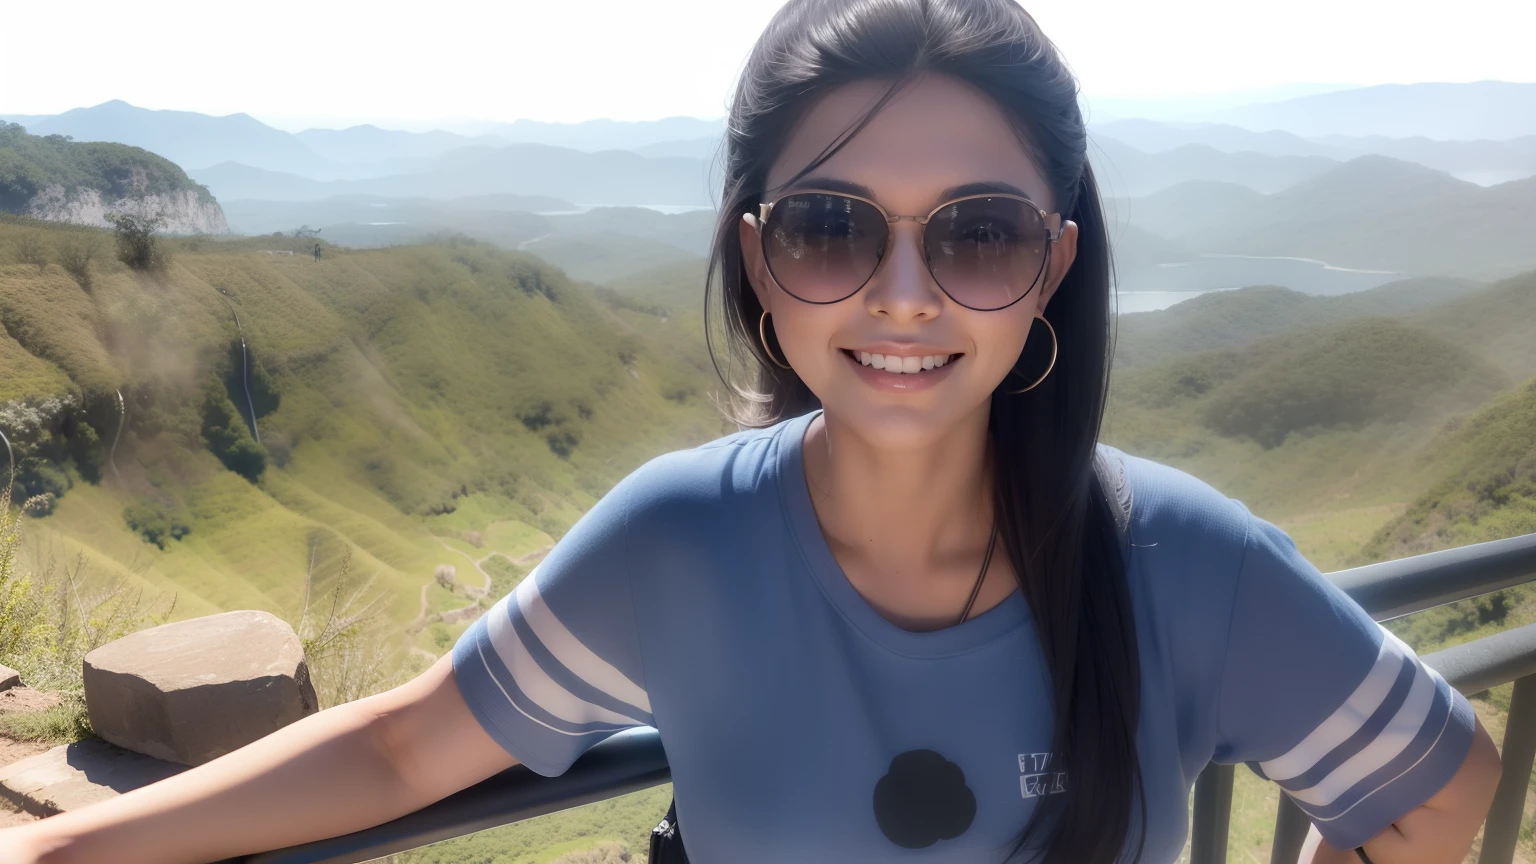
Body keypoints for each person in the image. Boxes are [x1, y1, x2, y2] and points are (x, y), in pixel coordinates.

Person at [0, 2, 1502, 862]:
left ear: (1054, 261)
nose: (903, 297)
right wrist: (55, 852)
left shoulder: (1184, 563)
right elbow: (403, 752)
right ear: (753, 256)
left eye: (975, 236)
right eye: (833, 227)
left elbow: (1451, 794)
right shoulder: (681, 539)